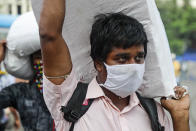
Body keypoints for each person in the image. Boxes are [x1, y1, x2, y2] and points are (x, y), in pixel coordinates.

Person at [39, 0, 190, 131]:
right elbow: (50, 36)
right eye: (122, 59)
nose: (133, 66)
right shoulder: (69, 101)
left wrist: (181, 116)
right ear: (98, 63)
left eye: (139, 58)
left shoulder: (154, 113)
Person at [0, 40, 54, 131]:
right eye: (38, 57)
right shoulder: (21, 91)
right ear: (31, 62)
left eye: (46, 56)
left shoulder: (68, 90)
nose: (42, 61)